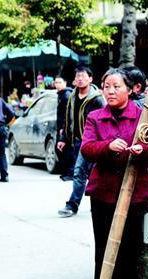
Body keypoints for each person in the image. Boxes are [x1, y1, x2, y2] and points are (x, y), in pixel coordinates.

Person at [81, 68, 148, 279]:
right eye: (107, 86)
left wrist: (143, 150)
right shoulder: (95, 117)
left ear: (130, 89)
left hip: (135, 192)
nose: (111, 91)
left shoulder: (143, 115)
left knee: (129, 247)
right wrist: (107, 146)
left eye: (116, 86)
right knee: (103, 246)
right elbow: (86, 148)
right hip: (104, 193)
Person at [56, 67, 105, 217]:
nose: (80, 79)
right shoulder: (72, 96)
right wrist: (64, 138)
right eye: (78, 77)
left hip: (93, 142)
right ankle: (80, 205)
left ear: (90, 79)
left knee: (84, 173)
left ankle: (74, 205)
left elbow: (103, 120)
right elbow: (68, 119)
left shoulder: (97, 98)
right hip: (78, 141)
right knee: (81, 173)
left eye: (83, 76)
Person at [54, 76, 73, 181]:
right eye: (56, 82)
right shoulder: (60, 95)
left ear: (65, 83)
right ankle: (66, 172)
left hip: (65, 127)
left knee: (66, 150)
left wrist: (63, 128)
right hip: (61, 126)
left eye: (59, 82)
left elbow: (67, 114)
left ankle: (70, 173)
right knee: (61, 150)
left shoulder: (67, 95)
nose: (57, 84)